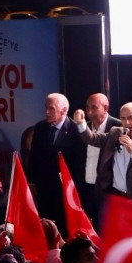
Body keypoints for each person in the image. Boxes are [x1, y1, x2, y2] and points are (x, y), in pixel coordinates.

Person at [73, 102, 132, 209]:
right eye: (123, 118)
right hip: (116, 197)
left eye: (130, 118)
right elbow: (92, 139)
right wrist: (80, 123)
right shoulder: (115, 132)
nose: (127, 122)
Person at [27, 93, 85, 231]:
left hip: (64, 193)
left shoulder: (76, 131)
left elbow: (79, 164)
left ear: (64, 110)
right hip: (43, 190)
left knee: (63, 230)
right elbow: (34, 157)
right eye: (46, 108)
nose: (47, 112)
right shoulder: (40, 128)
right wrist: (31, 181)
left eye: (51, 108)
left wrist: (76, 191)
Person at [79, 93, 120, 224]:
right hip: (86, 189)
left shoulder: (117, 128)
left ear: (105, 108)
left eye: (94, 107)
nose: (89, 112)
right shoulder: (82, 128)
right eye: (87, 107)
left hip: (108, 191)